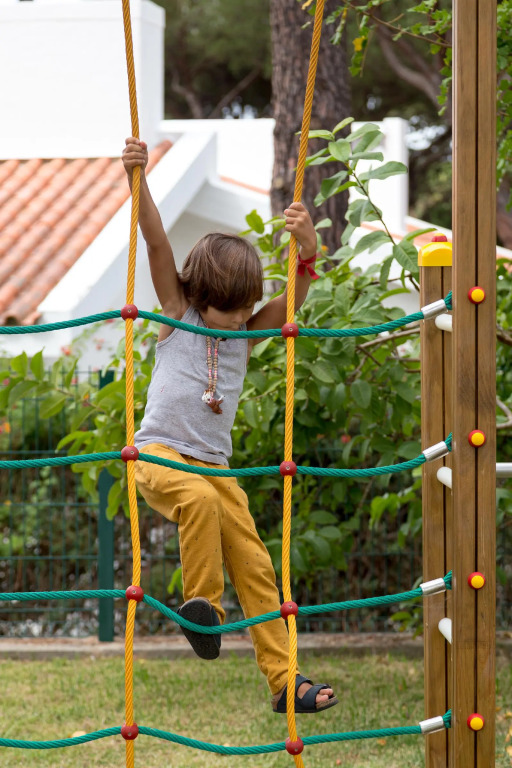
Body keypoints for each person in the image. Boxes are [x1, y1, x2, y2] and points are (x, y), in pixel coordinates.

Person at [122, 137, 338, 715]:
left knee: (257, 566)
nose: (242, 319)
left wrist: (308, 252)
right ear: (200, 296)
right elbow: (158, 243)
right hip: (160, 455)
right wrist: (138, 181)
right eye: (232, 309)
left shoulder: (242, 333)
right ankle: (205, 610)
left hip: (217, 469)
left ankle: (285, 681)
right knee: (197, 500)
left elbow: (290, 303)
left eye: (247, 309)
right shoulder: (180, 314)